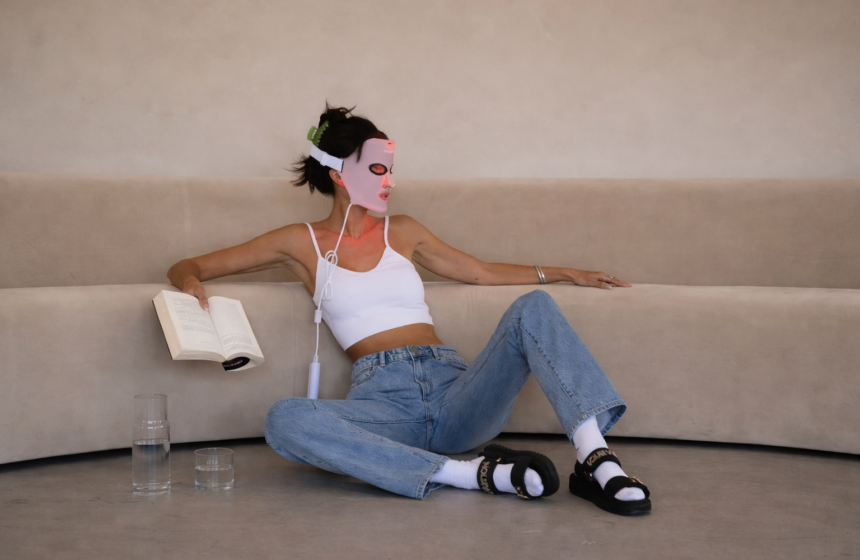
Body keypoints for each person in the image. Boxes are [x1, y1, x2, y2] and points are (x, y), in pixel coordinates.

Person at [167, 104, 651, 515]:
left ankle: (596, 463)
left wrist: (564, 272)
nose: (390, 182)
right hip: (384, 405)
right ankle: (471, 474)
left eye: (390, 170)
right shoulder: (300, 242)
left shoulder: (403, 230)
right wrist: (190, 280)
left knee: (535, 306)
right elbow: (188, 264)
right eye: (378, 170)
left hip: (457, 393)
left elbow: (479, 271)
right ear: (339, 174)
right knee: (284, 420)